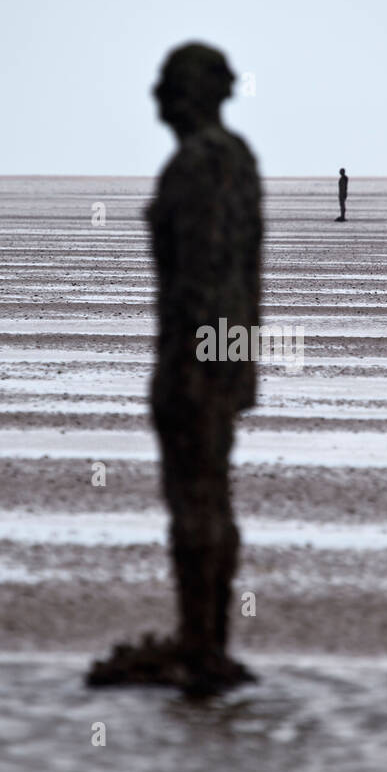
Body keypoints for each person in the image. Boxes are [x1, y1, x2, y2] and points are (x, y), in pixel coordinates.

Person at [87, 42, 261, 697]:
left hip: (195, 361)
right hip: (222, 355)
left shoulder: (198, 165)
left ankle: (201, 642)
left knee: (196, 500)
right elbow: (243, 277)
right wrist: (238, 363)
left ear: (190, 94)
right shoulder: (238, 161)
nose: (158, 99)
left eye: (167, 86)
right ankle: (207, 640)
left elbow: (205, 276)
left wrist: (190, 370)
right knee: (211, 496)